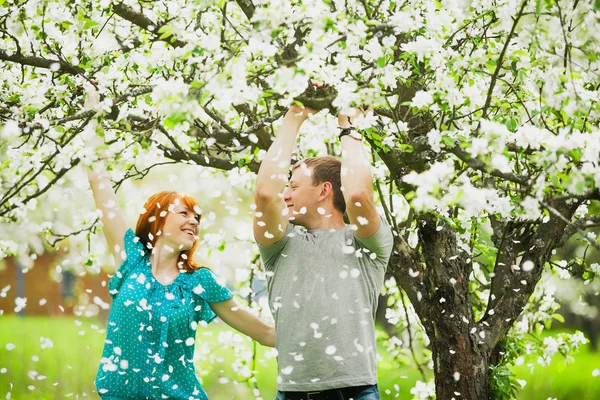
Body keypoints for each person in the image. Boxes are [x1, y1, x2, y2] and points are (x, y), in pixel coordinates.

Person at [83, 84, 275, 400]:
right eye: (184, 213)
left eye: (197, 217)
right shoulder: (131, 259)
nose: (193, 221)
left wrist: (320, 334)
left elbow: (265, 333)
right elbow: (98, 180)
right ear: (156, 220)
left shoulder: (200, 281)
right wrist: (94, 111)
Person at [253, 98, 394, 400]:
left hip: (356, 392)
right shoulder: (280, 245)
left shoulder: (365, 244)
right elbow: (266, 192)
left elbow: (356, 193)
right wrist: (295, 116)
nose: (285, 194)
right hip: (294, 394)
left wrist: (349, 128)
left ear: (324, 191)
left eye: (293, 186)